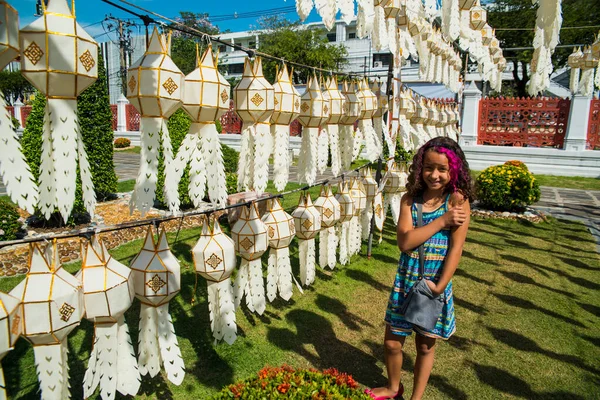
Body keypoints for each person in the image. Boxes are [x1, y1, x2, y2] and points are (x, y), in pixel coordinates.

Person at [365, 137, 473, 400]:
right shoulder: (409, 200)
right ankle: (393, 387)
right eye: (428, 167)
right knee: (392, 342)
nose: (434, 175)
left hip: (436, 282)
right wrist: (442, 221)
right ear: (419, 167)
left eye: (442, 169)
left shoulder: (458, 200)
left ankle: (416, 398)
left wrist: (441, 285)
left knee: (425, 345)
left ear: (454, 170)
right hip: (407, 279)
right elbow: (405, 241)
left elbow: (456, 249)